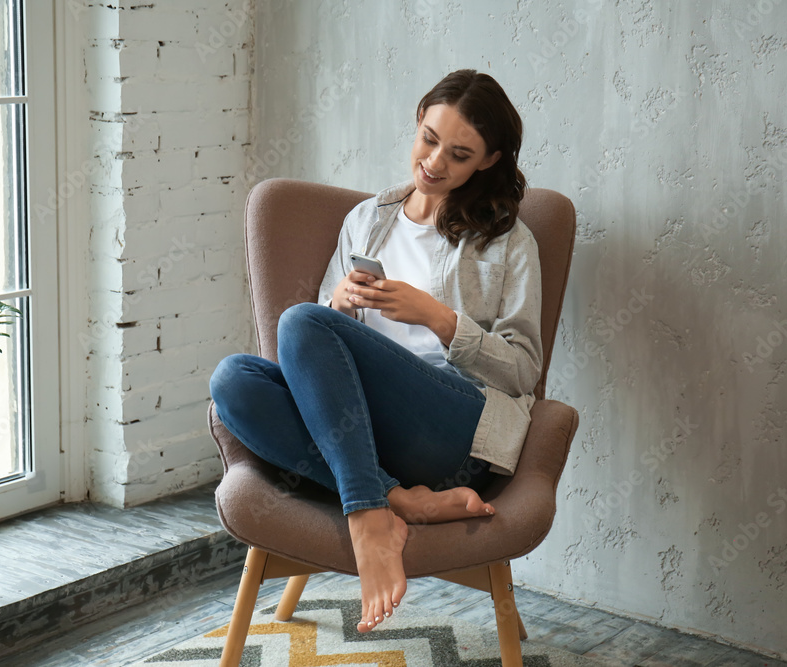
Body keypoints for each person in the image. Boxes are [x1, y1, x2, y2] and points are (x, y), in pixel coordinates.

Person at [209, 69, 542, 635]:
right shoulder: (366, 220)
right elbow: (308, 348)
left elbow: (523, 371)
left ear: (488, 161)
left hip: (453, 432)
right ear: (418, 121)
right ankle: (395, 500)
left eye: (459, 154)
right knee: (234, 379)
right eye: (429, 139)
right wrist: (339, 308)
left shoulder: (509, 240)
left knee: (299, 322)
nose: (435, 162)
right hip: (362, 438)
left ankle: (366, 516)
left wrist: (438, 318)